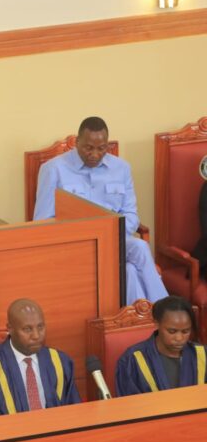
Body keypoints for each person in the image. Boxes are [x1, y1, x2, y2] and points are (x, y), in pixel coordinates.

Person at [33, 117, 168, 305]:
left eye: (101, 148)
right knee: (131, 263)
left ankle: (145, 320)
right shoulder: (53, 169)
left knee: (136, 253)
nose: (95, 154)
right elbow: (42, 221)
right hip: (75, 245)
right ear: (77, 142)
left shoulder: (121, 168)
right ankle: (162, 315)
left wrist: (110, 235)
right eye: (88, 148)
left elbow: (130, 214)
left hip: (114, 240)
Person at [0, 299, 81, 419]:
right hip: (11, 436)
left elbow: (73, 413)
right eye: (27, 329)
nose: (36, 336)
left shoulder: (60, 361)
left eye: (40, 327)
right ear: (10, 329)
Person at [116, 296, 206, 396]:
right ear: (157, 324)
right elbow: (128, 405)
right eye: (172, 331)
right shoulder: (132, 360)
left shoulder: (202, 355)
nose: (179, 338)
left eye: (186, 331)